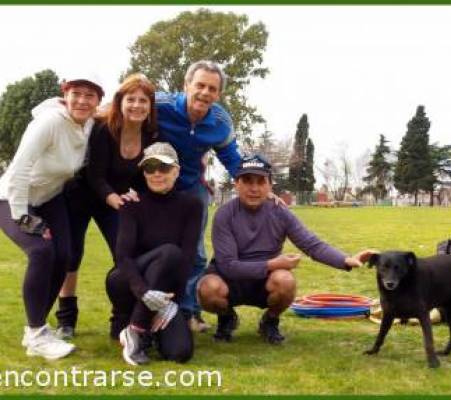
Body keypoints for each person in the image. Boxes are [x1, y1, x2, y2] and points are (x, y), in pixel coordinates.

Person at [197, 154, 374, 344]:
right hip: (231, 279)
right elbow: (228, 266)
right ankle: (226, 318)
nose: (254, 188)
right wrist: (274, 263)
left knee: (285, 281)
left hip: (264, 282)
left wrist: (345, 260)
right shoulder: (225, 214)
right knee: (208, 288)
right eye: (247, 181)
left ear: (270, 185)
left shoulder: (280, 212)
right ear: (237, 184)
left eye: (261, 181)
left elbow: (311, 244)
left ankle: (270, 321)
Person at [0, 74, 104, 359]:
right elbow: (20, 168)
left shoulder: (90, 122)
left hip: (51, 197)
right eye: (76, 93)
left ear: (98, 101)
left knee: (65, 256)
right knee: (42, 251)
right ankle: (36, 333)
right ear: (65, 94)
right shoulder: (49, 122)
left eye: (90, 95)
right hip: (12, 197)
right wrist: (23, 217)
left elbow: (117, 109)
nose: (82, 100)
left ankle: (38, 331)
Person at [55, 73, 157, 339]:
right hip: (82, 195)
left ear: (150, 106)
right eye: (131, 100)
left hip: (116, 202)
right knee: (71, 255)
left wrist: (138, 195)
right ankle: (66, 319)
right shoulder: (104, 128)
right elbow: (95, 175)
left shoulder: (152, 134)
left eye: (143, 101)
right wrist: (113, 197)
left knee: (125, 255)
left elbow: (148, 173)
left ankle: (122, 316)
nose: (137, 106)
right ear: (120, 102)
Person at [155, 60, 241, 332]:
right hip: (154, 183)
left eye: (212, 89)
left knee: (195, 253)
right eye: (200, 85)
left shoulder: (220, 121)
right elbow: (121, 109)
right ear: (186, 85)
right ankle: (143, 312)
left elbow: (232, 159)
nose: (205, 92)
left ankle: (188, 313)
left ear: (218, 94)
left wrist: (261, 187)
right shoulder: (160, 105)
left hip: (192, 187)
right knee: (152, 248)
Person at [105, 142, 202, 365]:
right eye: (150, 167)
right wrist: (145, 293)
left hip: (164, 293)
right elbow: (123, 257)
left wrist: (168, 302)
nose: (157, 173)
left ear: (176, 171)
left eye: (164, 167)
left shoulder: (192, 206)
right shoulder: (132, 204)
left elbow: (186, 261)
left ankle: (143, 329)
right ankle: (136, 329)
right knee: (169, 252)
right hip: (127, 283)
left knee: (180, 353)